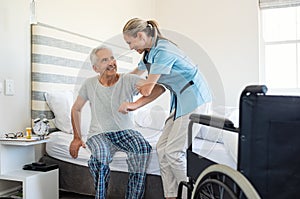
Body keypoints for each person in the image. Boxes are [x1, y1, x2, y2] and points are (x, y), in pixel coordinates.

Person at [123, 18, 212, 199]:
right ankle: (172, 195)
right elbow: (138, 78)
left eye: (130, 42)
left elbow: (149, 88)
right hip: (181, 103)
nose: (130, 47)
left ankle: (192, 194)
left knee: (173, 151)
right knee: (162, 148)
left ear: (140, 35)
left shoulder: (163, 51)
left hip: (195, 100)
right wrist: (117, 86)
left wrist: (133, 98)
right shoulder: (149, 54)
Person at [69, 45, 165, 199]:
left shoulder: (128, 79)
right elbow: (76, 109)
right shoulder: (89, 84)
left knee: (142, 148)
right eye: (105, 60)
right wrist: (76, 137)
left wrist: (134, 105)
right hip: (99, 134)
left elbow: (158, 89)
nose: (111, 62)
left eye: (112, 58)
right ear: (95, 68)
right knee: (101, 156)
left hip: (125, 132)